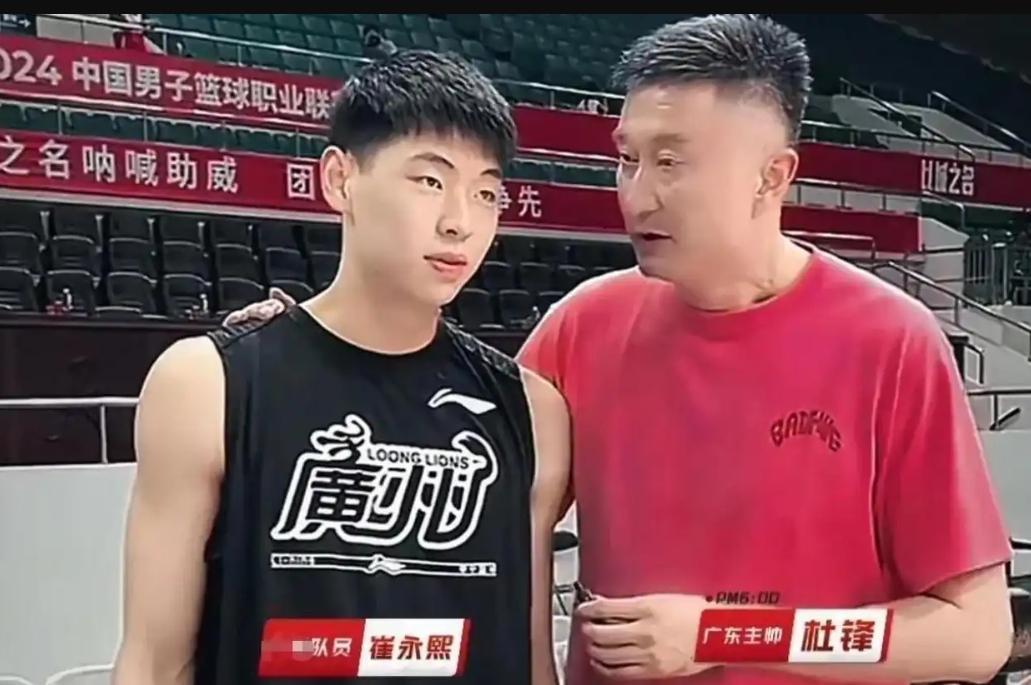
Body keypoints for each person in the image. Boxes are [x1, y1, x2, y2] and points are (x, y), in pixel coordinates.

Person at [227, 14, 1016, 685]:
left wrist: (723, 634)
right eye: (626, 158)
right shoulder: (585, 324)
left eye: (670, 162)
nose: (636, 193)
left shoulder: (890, 340)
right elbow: (431, 449)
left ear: (770, 177)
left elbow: (973, 634)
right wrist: (309, 346)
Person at [113, 50, 570, 685]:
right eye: (429, 181)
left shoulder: (532, 411)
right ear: (339, 179)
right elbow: (154, 662)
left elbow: (532, 661)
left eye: (486, 193)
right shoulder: (207, 385)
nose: (459, 222)